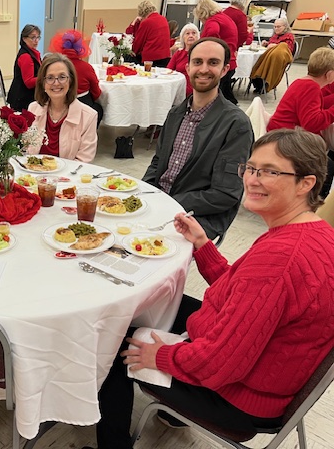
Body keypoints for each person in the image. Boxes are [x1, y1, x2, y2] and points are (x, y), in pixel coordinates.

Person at [86, 129, 334, 449]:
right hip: (267, 369)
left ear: (306, 183)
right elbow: (249, 296)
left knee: (114, 339)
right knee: (160, 301)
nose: (252, 180)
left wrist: (159, 355)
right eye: (250, 168)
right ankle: (172, 412)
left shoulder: (280, 259)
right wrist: (203, 245)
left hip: (239, 399)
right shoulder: (314, 232)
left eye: (270, 172)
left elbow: (218, 364)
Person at [143, 38, 253, 240]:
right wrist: (143, 193)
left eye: (213, 62)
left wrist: (169, 203)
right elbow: (158, 163)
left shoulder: (236, 124)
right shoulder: (175, 114)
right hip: (161, 204)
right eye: (197, 62)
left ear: (225, 69)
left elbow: (225, 193)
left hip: (196, 216)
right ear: (187, 68)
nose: (203, 69)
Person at [267, 47, 334, 197]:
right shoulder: (312, 88)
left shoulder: (303, 82)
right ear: (329, 74)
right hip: (285, 137)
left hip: (281, 132)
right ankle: (315, 201)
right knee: (327, 165)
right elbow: (312, 123)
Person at [27, 53, 98, 162]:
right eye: (50, 78)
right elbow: (26, 152)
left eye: (62, 77)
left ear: (71, 81)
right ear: (43, 83)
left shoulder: (88, 116)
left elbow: (84, 161)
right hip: (34, 171)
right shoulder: (33, 109)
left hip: (70, 172)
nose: (56, 83)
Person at [49, 29, 103, 126]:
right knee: (98, 109)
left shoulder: (53, 66)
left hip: (57, 104)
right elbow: (96, 92)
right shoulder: (87, 67)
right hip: (83, 104)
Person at [194, 0, 239, 105]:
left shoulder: (213, 21)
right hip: (229, 60)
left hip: (220, 62)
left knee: (218, 97)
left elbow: (212, 33)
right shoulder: (224, 18)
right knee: (226, 94)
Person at [250, 18, 295, 94]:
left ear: (285, 27)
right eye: (275, 27)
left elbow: (287, 50)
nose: (276, 28)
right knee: (255, 63)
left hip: (277, 60)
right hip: (269, 57)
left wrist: (276, 46)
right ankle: (258, 82)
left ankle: (264, 82)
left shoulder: (289, 37)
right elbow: (271, 45)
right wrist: (267, 44)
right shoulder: (275, 36)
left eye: (278, 27)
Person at [7, 24, 42, 111]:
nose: (36, 41)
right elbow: (29, 83)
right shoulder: (26, 56)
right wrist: (45, 78)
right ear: (24, 38)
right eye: (33, 37)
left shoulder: (33, 53)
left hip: (25, 95)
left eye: (38, 37)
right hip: (22, 99)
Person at [125, 1, 171, 67]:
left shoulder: (146, 22)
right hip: (165, 58)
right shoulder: (163, 19)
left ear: (142, 13)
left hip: (150, 60)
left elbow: (137, 45)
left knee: (125, 58)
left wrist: (133, 23)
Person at [166, 23, 200, 97]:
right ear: (182, 37)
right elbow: (168, 70)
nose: (191, 36)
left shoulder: (201, 54)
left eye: (194, 33)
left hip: (196, 89)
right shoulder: (178, 53)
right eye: (187, 33)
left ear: (198, 37)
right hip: (179, 87)